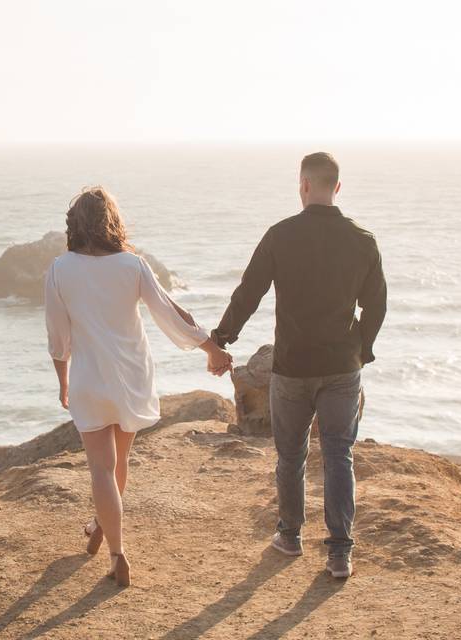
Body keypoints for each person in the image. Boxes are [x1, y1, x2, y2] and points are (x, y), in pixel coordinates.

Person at [211, 152, 387, 579]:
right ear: (337, 187)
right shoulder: (362, 240)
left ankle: (290, 537)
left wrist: (221, 340)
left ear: (304, 185)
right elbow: (377, 305)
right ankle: (339, 552)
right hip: (342, 369)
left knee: (290, 456)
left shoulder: (280, 236)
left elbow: (248, 293)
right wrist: (360, 349)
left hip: (291, 369)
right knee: (338, 454)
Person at [45, 186, 231, 587]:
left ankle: (116, 552)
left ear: (74, 224)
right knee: (119, 464)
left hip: (90, 379)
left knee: (100, 468)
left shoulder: (60, 269)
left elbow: (58, 338)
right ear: (111, 222)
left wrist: (62, 381)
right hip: (131, 376)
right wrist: (210, 349)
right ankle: (102, 529)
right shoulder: (132, 265)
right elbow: (170, 313)